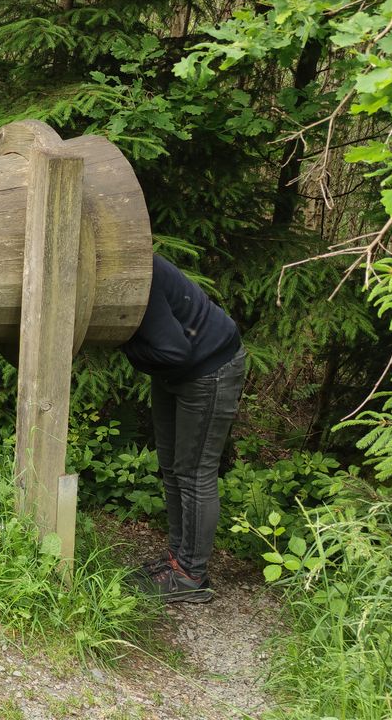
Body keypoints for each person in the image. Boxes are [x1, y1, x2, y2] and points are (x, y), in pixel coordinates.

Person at [120, 254, 248, 604]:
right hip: (175, 371)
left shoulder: (139, 275)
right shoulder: (119, 270)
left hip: (210, 367)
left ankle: (191, 575)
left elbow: (173, 350)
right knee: (172, 468)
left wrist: (126, 345)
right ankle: (177, 560)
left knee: (194, 473)